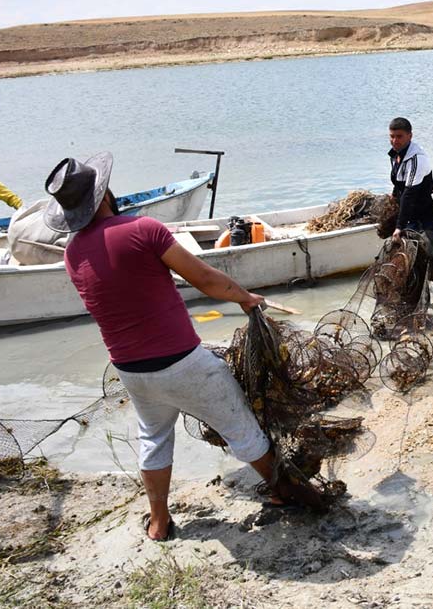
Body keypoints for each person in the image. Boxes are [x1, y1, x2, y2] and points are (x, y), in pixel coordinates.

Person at [44, 152, 317, 542]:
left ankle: (159, 522)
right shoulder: (143, 229)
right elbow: (204, 278)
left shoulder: (72, 254)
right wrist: (244, 297)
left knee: (153, 438)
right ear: (104, 194)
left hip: (131, 370)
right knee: (241, 426)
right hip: (182, 362)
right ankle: (283, 491)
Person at [387, 117, 433, 302]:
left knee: (431, 257)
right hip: (409, 214)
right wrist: (393, 196)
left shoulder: (417, 159)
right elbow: (399, 184)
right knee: (411, 260)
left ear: (410, 136)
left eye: (399, 136)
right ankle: (421, 299)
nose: (395, 140)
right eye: (391, 136)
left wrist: (399, 226)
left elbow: (409, 194)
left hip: (426, 215)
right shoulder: (396, 154)